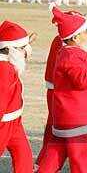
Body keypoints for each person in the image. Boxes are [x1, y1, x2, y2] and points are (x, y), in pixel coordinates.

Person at [37, 6, 87, 173]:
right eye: (85, 33)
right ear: (75, 37)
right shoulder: (72, 55)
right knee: (84, 158)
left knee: (55, 153)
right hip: (77, 118)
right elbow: (82, 80)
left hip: (67, 116)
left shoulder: (70, 52)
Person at [0, 20, 34, 173]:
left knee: (23, 156)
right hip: (3, 122)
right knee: (22, 155)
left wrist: (26, 42)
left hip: (14, 120)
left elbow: (18, 55)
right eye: (22, 48)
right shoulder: (4, 69)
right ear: (10, 49)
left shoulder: (9, 58)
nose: (26, 51)